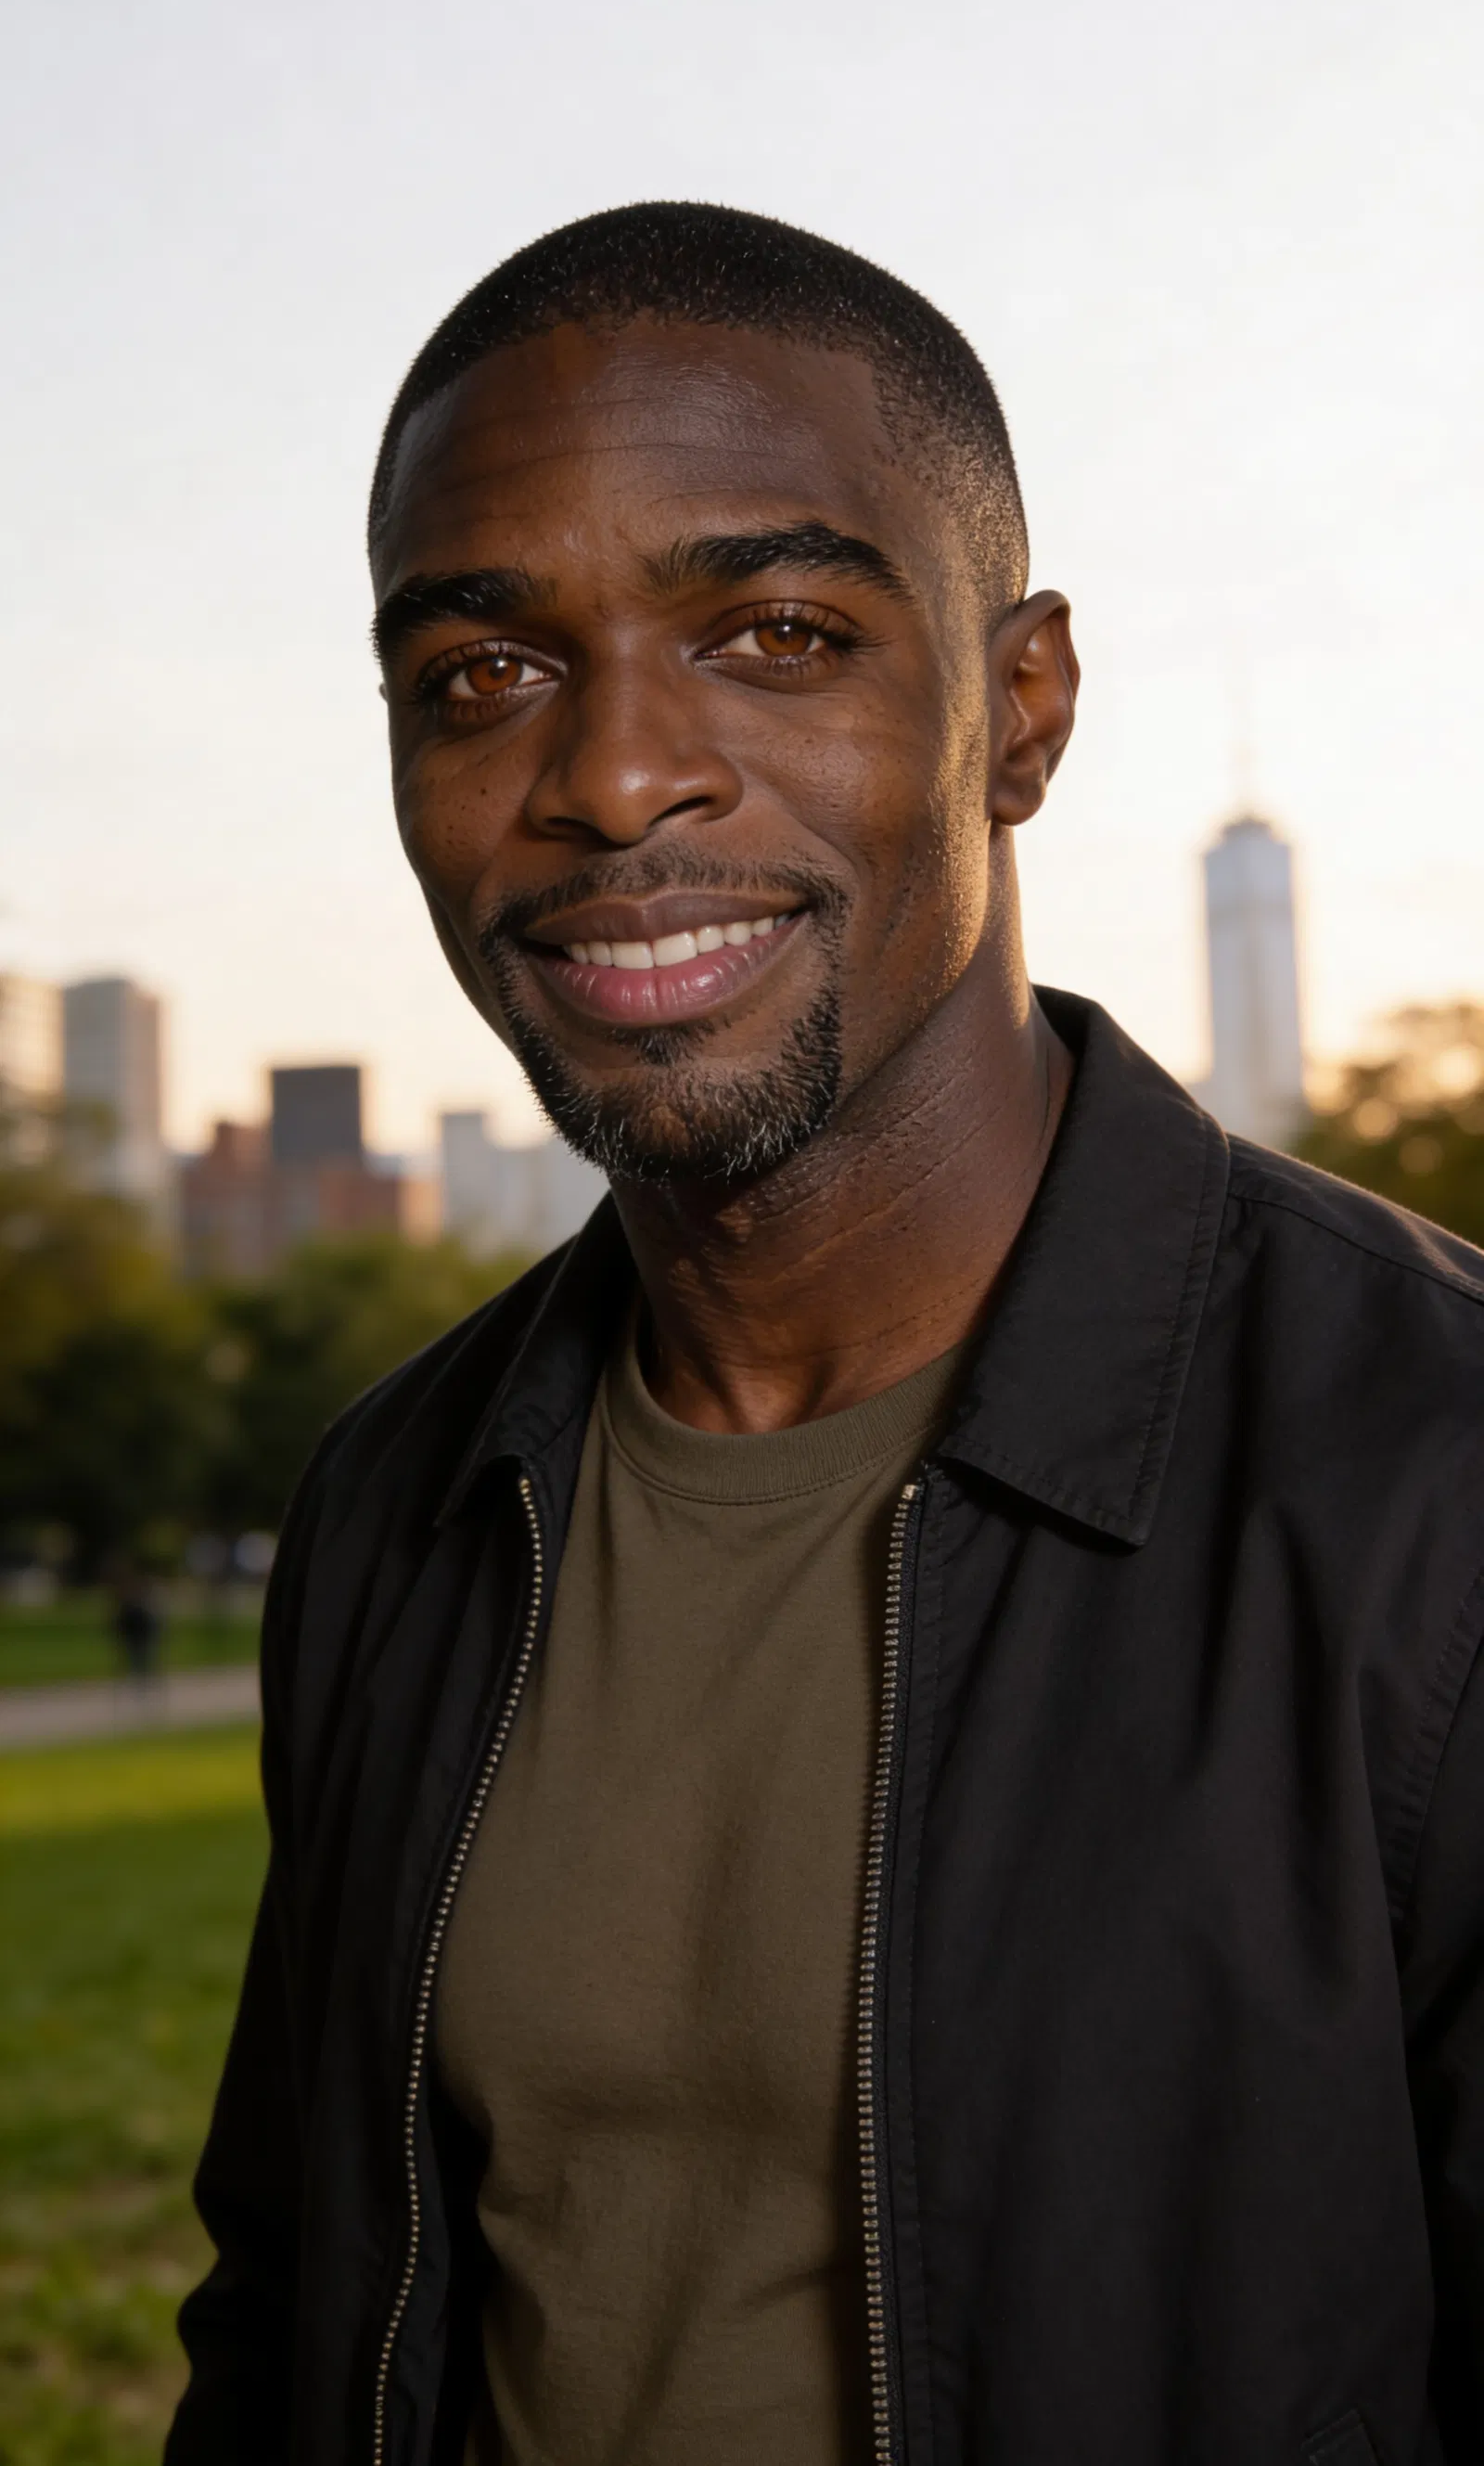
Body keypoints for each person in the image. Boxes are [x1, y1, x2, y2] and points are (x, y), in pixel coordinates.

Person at [166, 205, 1484, 2466]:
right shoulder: (395, 1501)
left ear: (1018, 710)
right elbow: (293, 2314)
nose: (612, 776)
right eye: (481, 673)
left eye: (774, 634)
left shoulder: (1434, 1483)